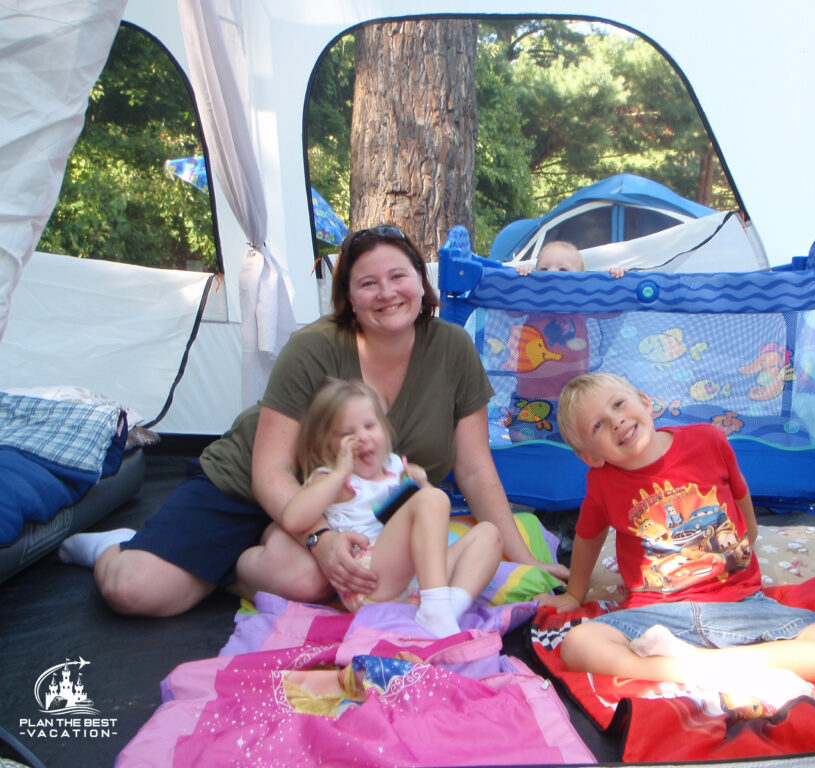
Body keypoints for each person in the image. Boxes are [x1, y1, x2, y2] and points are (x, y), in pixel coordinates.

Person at [60, 225, 568, 617]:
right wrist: (318, 538)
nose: (387, 292)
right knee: (137, 591)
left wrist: (525, 558)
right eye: (367, 283)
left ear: (421, 282)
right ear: (348, 297)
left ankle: (249, 566)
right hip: (255, 488)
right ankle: (118, 546)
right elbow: (271, 470)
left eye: (399, 276)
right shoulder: (315, 347)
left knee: (322, 583)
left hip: (362, 506)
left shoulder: (453, 349)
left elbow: (476, 469)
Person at [535, 372, 815, 686]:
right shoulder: (602, 483)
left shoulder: (707, 440)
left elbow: (741, 495)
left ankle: (701, 666)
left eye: (619, 404)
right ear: (591, 457)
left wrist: (749, 536)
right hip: (655, 617)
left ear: (645, 402)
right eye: (598, 426)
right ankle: (693, 668)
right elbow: (588, 536)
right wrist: (574, 595)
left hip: (741, 606)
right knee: (577, 644)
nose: (616, 421)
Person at [239, 378, 501, 636]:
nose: (362, 437)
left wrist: (423, 484)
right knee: (434, 500)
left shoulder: (396, 467)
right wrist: (339, 473)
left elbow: (433, 522)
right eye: (347, 433)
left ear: (384, 428)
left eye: (369, 425)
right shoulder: (334, 479)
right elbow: (294, 518)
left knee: (489, 534)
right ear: (326, 444)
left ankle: (447, 610)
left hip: (416, 576)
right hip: (369, 578)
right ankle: (436, 611)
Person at [503, 241, 623, 442]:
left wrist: (613, 283)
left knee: (573, 445)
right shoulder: (533, 300)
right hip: (530, 394)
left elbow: (613, 310)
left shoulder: (581, 304)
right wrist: (522, 282)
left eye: (562, 269)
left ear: (580, 280)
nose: (552, 273)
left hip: (572, 397)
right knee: (520, 442)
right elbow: (511, 310)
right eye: (544, 268)